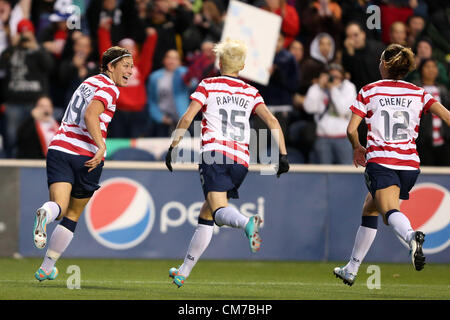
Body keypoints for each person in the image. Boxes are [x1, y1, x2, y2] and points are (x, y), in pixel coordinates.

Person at [164, 39, 290, 288]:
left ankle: (246, 223)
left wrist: (173, 146)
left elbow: (188, 116)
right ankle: (183, 271)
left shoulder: (208, 85)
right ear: (242, 66)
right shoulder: (250, 92)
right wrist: (283, 156)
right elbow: (273, 121)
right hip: (241, 160)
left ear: (219, 63)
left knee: (219, 210)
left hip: (215, 155)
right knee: (207, 212)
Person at [333, 44, 450, 286]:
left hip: (382, 162)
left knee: (389, 212)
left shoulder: (369, 91)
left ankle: (411, 236)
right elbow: (448, 116)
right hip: (410, 165)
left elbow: (351, 128)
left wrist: (357, 147)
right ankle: (351, 269)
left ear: (385, 64)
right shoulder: (419, 93)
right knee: (371, 208)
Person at [32, 46, 133, 281]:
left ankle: (44, 215)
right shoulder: (109, 88)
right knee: (73, 214)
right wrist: (101, 146)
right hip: (86, 155)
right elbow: (90, 115)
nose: (131, 70)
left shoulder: (88, 81)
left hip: (59, 148)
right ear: (111, 66)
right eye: (126, 65)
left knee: (58, 206)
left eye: (132, 65)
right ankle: (46, 267)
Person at [303, 63, 356, 164]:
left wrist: (333, 89)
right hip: (323, 138)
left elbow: (343, 109)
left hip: (344, 138)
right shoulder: (317, 88)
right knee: (322, 175)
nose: (333, 79)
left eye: (336, 77)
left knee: (346, 175)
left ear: (342, 78)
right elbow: (309, 108)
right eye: (331, 76)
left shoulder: (349, 87)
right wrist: (319, 87)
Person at [413, 58, 450, 166]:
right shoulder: (415, 89)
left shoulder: (443, 90)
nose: (431, 70)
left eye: (434, 66)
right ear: (421, 69)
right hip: (423, 143)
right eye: (427, 66)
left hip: (443, 142)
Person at [147, 49, 190, 137]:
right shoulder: (155, 77)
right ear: (164, 60)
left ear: (180, 61)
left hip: (183, 119)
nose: (172, 61)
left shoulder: (185, 73)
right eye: (169, 58)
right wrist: (159, 117)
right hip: (163, 119)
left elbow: (194, 85)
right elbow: (151, 100)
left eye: (175, 58)